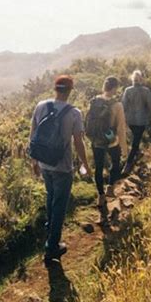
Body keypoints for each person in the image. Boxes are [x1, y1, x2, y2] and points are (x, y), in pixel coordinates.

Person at [30, 75, 90, 261]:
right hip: (62, 166)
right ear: (70, 90)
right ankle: (52, 246)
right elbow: (78, 142)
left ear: (55, 89)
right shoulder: (74, 113)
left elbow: (33, 135)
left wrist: (34, 161)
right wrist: (85, 165)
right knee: (59, 206)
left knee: (50, 198)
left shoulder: (41, 106)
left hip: (44, 163)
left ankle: (50, 234)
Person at [86, 76, 128, 207]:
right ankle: (110, 187)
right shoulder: (117, 105)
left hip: (97, 140)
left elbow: (88, 122)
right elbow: (121, 128)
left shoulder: (94, 101)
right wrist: (125, 148)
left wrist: (91, 138)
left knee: (98, 168)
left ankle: (101, 196)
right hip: (112, 141)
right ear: (115, 88)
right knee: (115, 163)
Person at [122, 70, 151, 174]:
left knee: (135, 140)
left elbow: (123, 106)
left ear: (132, 79)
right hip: (141, 120)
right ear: (141, 79)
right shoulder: (146, 91)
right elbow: (150, 107)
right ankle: (128, 165)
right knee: (135, 143)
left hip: (130, 120)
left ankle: (137, 155)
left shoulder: (127, 90)